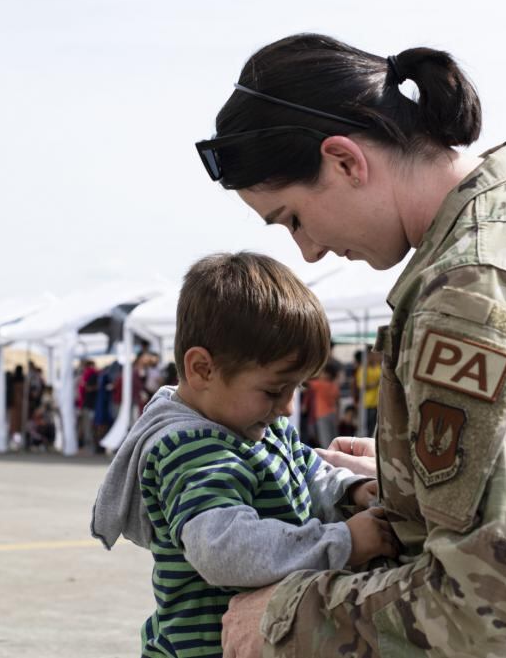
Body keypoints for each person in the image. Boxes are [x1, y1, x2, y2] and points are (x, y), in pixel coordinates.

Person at [197, 34, 506, 656]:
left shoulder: (471, 291)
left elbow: (481, 612)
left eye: (292, 218)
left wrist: (284, 616)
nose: (306, 251)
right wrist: (412, 476)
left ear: (344, 161)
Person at [91, 252, 395, 658]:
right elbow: (227, 550)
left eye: (296, 389)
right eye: (273, 391)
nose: (287, 407)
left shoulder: (259, 426)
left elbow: (308, 470)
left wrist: (354, 489)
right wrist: (344, 542)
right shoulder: (191, 450)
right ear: (202, 369)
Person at [306, 362, 340, 449]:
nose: (320, 374)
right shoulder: (334, 386)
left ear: (327, 374)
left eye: (322, 372)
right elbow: (337, 402)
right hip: (332, 414)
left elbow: (306, 382)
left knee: (325, 441)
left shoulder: (319, 384)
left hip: (322, 415)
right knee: (333, 438)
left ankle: (329, 459)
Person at [355, 348, 381, 437]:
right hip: (367, 403)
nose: (374, 356)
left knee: (375, 427)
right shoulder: (363, 369)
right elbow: (361, 386)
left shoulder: (378, 367)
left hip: (378, 402)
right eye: (372, 354)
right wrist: (375, 383)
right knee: (368, 427)